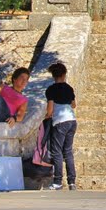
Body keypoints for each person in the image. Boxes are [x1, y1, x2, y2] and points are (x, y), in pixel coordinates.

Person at [45, 62, 78, 191]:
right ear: (64, 75)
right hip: (72, 121)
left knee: (57, 151)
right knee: (68, 151)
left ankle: (58, 181)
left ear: (53, 76)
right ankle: (72, 182)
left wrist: (47, 117)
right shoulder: (69, 88)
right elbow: (74, 104)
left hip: (60, 122)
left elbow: (50, 109)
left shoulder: (51, 89)